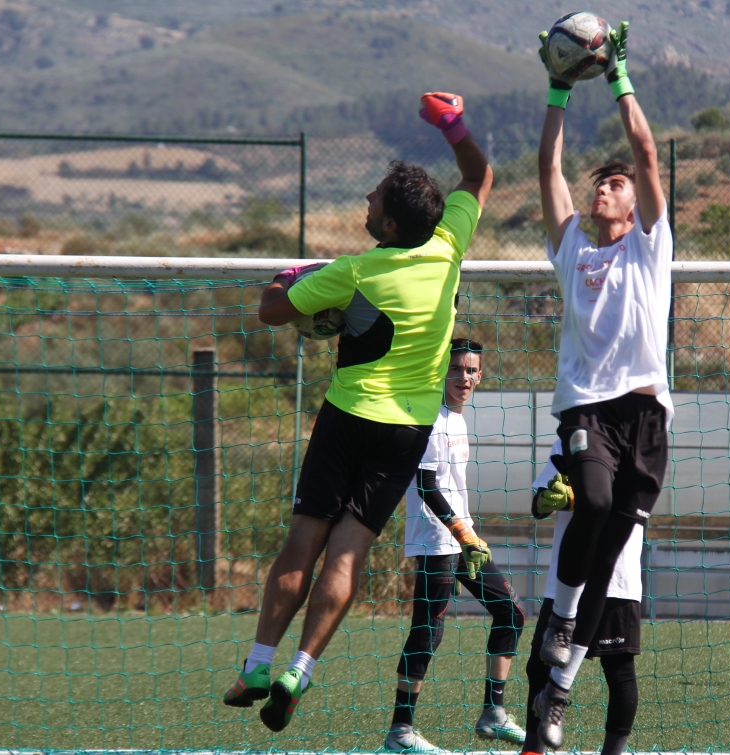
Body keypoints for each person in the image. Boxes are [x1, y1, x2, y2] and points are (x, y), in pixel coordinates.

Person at [221, 92, 493, 734]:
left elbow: (271, 311)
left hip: (348, 416)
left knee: (303, 541)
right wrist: (451, 124)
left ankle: (260, 664)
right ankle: (301, 670)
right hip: (406, 432)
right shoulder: (449, 245)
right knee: (346, 555)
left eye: (373, 200)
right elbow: (479, 176)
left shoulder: (354, 271)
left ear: (391, 225)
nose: (365, 204)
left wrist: (288, 279)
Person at [534, 19, 671, 701]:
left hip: (642, 413)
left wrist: (616, 76)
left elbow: (646, 153)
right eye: (603, 183)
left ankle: (559, 690)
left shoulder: (648, 246)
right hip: (587, 405)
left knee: (615, 544)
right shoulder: (574, 253)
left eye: (615, 183)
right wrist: (558, 89)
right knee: (587, 499)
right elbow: (547, 171)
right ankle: (558, 618)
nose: (607, 187)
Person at [386, 339, 526, 754]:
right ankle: (400, 732)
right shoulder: (430, 415)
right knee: (428, 631)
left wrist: (467, 535)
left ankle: (493, 713)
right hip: (437, 539)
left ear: (480, 375)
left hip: (463, 540)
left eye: (471, 370)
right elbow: (426, 486)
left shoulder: (459, 420)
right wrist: (462, 533)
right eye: (455, 370)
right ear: (440, 373)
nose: (463, 377)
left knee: (511, 613)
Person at [520, 440, 644, 755]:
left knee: (619, 670)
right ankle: (533, 750)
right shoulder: (570, 436)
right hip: (567, 578)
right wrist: (546, 500)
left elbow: (630, 501)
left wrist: (577, 497)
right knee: (539, 665)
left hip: (617, 573)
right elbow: (538, 501)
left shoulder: (638, 438)